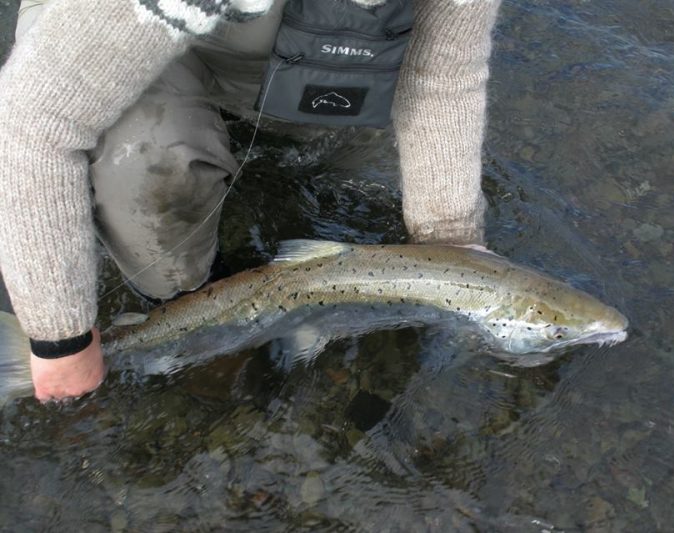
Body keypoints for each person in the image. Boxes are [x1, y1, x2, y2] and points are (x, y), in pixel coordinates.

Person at [0, 0, 501, 402]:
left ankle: (241, 126)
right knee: (148, 168)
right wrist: (60, 336)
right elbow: (30, 123)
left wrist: (453, 238)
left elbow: (442, 77)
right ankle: (176, 310)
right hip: (104, 40)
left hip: (284, 41)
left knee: (338, 157)